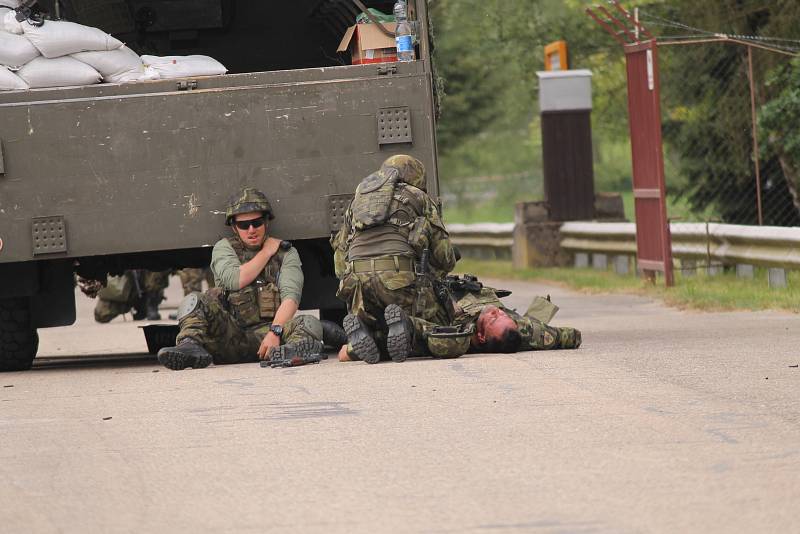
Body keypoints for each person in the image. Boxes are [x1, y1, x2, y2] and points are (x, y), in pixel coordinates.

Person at [156, 187, 328, 370]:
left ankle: (290, 352)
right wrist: (267, 251)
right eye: (244, 225)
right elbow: (235, 280)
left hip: (269, 338)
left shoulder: (286, 253)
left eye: (257, 222)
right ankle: (190, 347)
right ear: (234, 227)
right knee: (195, 300)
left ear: (267, 222)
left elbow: (291, 299)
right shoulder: (224, 248)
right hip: (228, 335)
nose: (251, 230)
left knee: (308, 323)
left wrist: (275, 332)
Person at [330, 155, 458, 364]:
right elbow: (445, 258)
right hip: (399, 282)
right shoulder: (418, 196)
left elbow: (339, 265)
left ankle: (367, 333)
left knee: (386, 318)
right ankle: (406, 325)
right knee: (443, 324)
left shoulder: (356, 203)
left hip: (356, 287)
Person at [378, 281, 582, 360]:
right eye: (502, 315)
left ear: (482, 336)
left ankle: (371, 334)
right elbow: (570, 336)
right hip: (468, 296)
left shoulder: (461, 338)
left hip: (449, 317)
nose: (496, 312)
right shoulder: (527, 331)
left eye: (493, 319)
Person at [83, 270, 169, 323]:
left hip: (148, 271)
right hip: (126, 278)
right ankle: (134, 303)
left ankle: (151, 304)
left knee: (156, 266)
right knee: (101, 315)